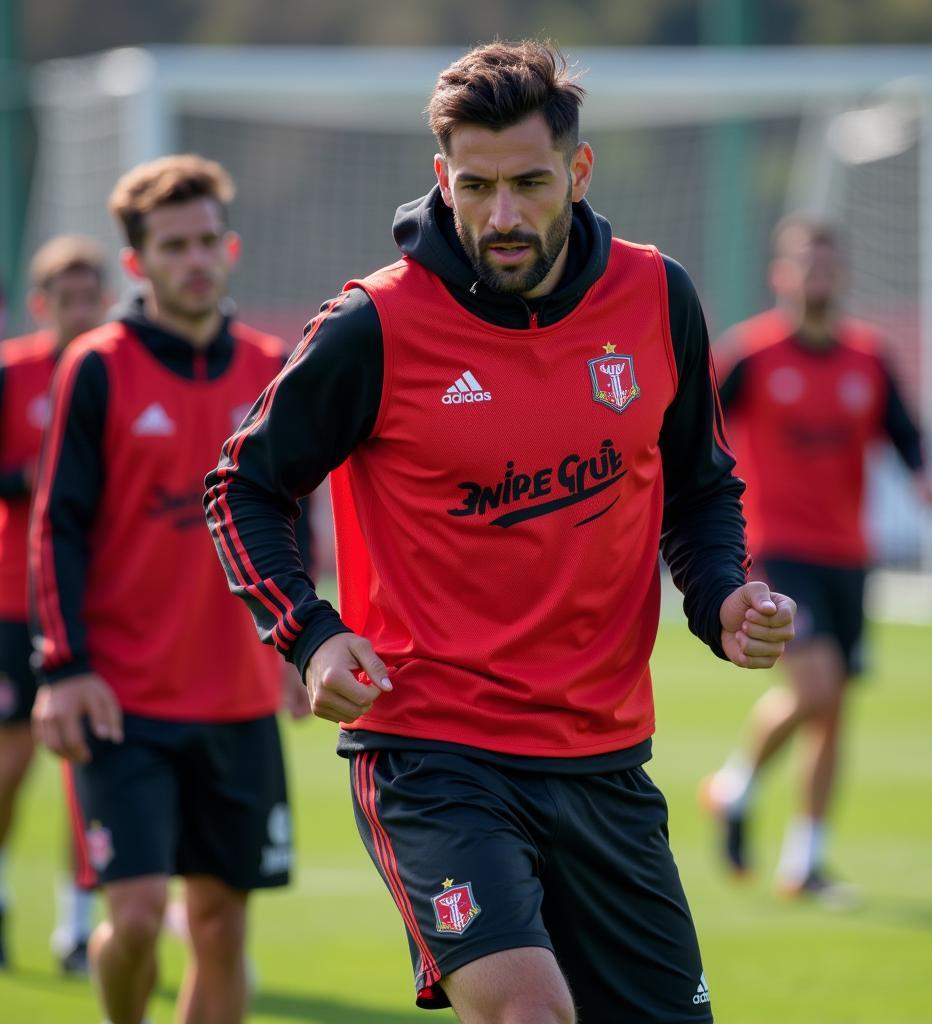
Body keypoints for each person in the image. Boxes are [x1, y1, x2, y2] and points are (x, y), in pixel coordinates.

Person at [204, 41, 796, 1024]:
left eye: (529, 181)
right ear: (442, 177)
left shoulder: (657, 297)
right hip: (435, 755)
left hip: (604, 756)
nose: (503, 214)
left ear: (579, 169)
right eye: (475, 186)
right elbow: (241, 487)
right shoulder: (373, 325)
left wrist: (722, 593)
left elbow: (697, 486)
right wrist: (310, 634)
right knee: (531, 1013)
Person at [29, 155, 309, 1024]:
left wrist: (305, 643)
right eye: (173, 246)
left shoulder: (272, 365)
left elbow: (296, 516)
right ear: (138, 263)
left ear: (229, 248)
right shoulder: (99, 367)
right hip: (124, 700)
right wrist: (64, 667)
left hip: (237, 696)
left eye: (207, 242)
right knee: (141, 918)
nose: (196, 261)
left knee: (222, 929)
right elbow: (56, 526)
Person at [700, 215, 932, 901]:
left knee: (834, 711)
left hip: (848, 556)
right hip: (775, 548)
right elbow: (693, 424)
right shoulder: (751, 354)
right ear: (782, 275)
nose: (818, 276)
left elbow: (905, 432)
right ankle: (735, 784)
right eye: (806, 264)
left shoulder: (869, 358)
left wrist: (922, 474)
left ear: (845, 275)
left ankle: (804, 862)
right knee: (816, 686)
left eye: (829, 265)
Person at [0, 235, 109, 971]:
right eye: (65, 299)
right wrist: (34, 478)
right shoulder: (14, 374)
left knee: (92, 764)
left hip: (100, 601)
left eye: (89, 297)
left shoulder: (117, 370)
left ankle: (77, 928)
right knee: (10, 766)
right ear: (42, 306)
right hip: (15, 600)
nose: (79, 311)